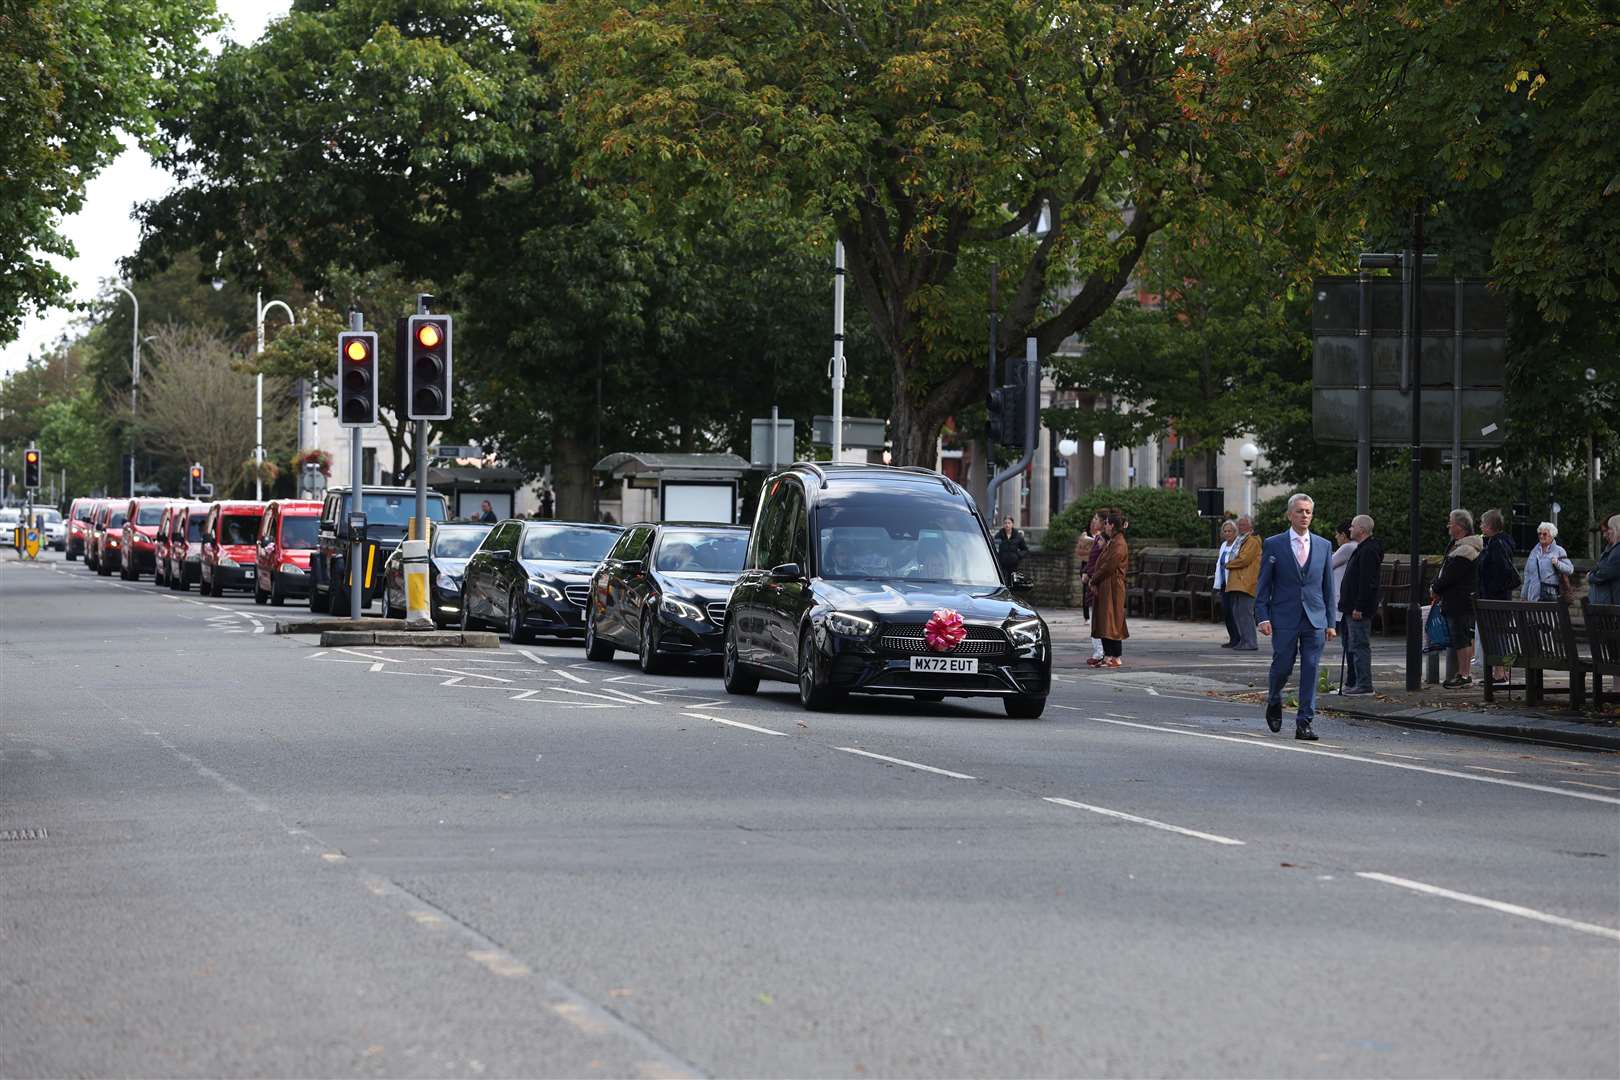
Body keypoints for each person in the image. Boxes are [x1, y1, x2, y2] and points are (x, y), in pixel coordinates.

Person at [1256, 493, 1337, 740]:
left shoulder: (1323, 546)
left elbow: (1328, 587)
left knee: (1311, 668)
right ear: (1290, 514)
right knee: (1282, 666)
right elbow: (1263, 585)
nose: (1304, 516)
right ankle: (1274, 698)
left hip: (1315, 618)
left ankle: (1304, 722)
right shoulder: (1274, 544)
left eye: (1308, 512)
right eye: (1300, 511)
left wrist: (1331, 622)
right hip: (1284, 616)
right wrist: (1262, 616)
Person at [1430, 508, 1482, 689]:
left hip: (1460, 600)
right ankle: (1463, 673)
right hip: (1458, 599)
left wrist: (1435, 587)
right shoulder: (1460, 546)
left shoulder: (1466, 549)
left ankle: (1464, 674)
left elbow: (1450, 575)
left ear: (1460, 526)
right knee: (1461, 637)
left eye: (1450, 522)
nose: (1448, 526)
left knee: (1461, 637)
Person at [1337, 514, 1382, 695]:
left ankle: (1364, 684)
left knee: (1359, 645)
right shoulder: (1362, 548)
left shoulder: (1368, 550)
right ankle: (1355, 681)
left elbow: (1367, 582)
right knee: (1351, 644)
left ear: (1362, 529)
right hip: (1351, 606)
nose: (1350, 529)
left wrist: (1359, 606)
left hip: (1358, 608)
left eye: (1353, 526)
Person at [1477, 509, 1520, 683]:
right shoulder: (1499, 542)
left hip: (1495, 598)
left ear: (1489, 526)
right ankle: (1499, 672)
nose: (1480, 526)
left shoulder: (1496, 545)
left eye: (1482, 523)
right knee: (1497, 634)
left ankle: (1500, 673)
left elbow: (1500, 571)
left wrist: (1490, 590)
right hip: (1501, 597)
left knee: (1497, 635)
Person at [1089, 510, 1129, 668]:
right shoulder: (1113, 541)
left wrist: (1094, 578)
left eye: (1106, 523)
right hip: (1105, 586)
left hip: (1113, 587)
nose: (1104, 526)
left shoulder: (1119, 543)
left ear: (1112, 525)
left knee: (1113, 621)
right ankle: (1108, 656)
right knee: (1104, 621)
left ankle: (1116, 656)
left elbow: (1109, 566)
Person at [1223, 515, 1262, 651]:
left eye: (1244, 524)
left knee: (1245, 613)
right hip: (1237, 581)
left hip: (1246, 581)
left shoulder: (1252, 541)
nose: (1240, 527)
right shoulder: (1241, 540)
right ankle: (1243, 640)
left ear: (1251, 526)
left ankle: (1250, 642)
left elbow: (1244, 559)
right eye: (1239, 524)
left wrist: (1229, 564)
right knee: (1237, 612)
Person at [1330, 519, 1359, 686]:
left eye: (1337, 533)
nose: (1336, 537)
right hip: (1346, 599)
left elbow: (1328, 565)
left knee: (1349, 643)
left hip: (1343, 600)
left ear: (1344, 534)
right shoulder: (1355, 547)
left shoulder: (1348, 547)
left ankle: (1352, 680)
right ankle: (1352, 679)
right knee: (1350, 642)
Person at [1521, 522, 1573, 602]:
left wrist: (1557, 563)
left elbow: (1570, 569)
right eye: (1539, 534)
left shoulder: (1559, 551)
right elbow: (1527, 574)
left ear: (1551, 535)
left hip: (1550, 596)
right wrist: (1523, 596)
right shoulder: (1534, 552)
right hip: (1533, 598)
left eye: (1544, 534)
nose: (1541, 536)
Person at [1214, 520, 1240, 647]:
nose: (1227, 533)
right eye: (1225, 531)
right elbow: (1220, 564)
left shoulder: (1238, 545)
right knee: (1227, 611)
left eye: (1230, 531)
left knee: (1234, 611)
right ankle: (1232, 638)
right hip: (1224, 582)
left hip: (1234, 582)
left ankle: (1239, 638)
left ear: (1235, 532)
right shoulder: (1223, 545)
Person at [1587, 513, 1620, 605]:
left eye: (1609, 529)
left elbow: (1605, 573)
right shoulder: (1612, 549)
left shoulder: (1617, 551)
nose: (1605, 535)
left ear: (1616, 529)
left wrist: (1590, 576)